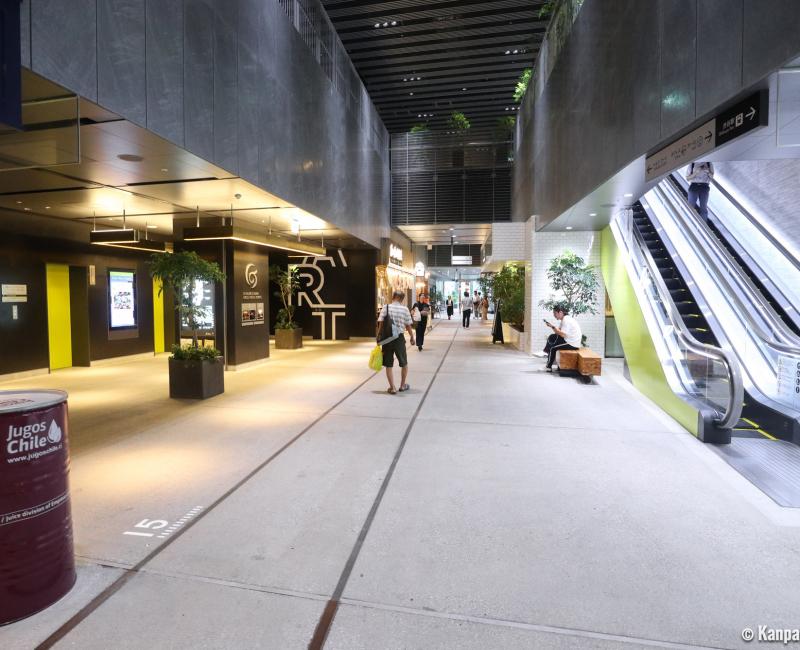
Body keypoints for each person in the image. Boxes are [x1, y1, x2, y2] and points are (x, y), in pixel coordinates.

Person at [376, 290, 415, 394]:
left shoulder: (386, 307)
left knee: (389, 364)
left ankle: (392, 387)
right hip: (399, 338)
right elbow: (408, 325)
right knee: (404, 363)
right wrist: (412, 337)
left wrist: (379, 336)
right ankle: (402, 386)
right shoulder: (405, 309)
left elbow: (381, 323)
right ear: (402, 299)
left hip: (387, 339)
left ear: (393, 297)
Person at [538, 305, 582, 372]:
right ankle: (546, 351)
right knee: (552, 337)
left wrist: (553, 327)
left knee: (553, 348)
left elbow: (563, 334)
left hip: (572, 343)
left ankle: (548, 366)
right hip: (570, 340)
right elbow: (558, 332)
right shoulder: (565, 319)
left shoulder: (566, 320)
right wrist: (552, 326)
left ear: (560, 312)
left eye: (555, 313)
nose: (554, 315)